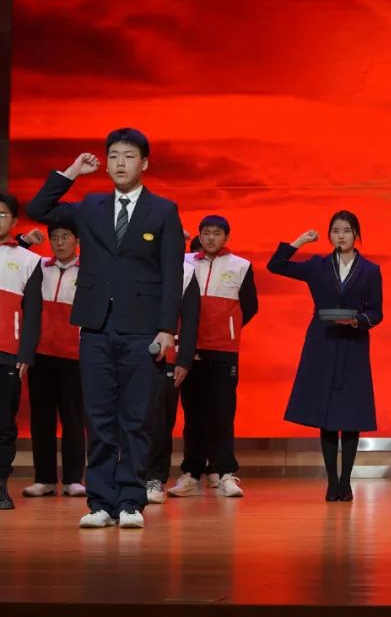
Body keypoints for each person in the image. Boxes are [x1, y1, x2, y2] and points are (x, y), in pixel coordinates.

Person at [26, 129, 184, 529]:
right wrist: (72, 171)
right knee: (97, 418)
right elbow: (39, 207)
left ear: (144, 163)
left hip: (143, 330)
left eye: (128, 156)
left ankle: (130, 500)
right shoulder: (90, 206)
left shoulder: (163, 210)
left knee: (136, 418)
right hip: (95, 327)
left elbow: (172, 274)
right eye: (113, 156)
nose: (119, 163)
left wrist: (167, 328)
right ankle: (100, 501)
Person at [267, 210, 382, 502]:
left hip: (353, 343)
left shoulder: (370, 270)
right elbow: (276, 265)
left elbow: (376, 311)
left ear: (356, 234)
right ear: (329, 235)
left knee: (351, 414)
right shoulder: (317, 266)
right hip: (323, 341)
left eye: (346, 230)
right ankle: (332, 482)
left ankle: (346, 482)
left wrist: (357, 320)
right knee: (327, 414)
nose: (341, 236)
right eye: (335, 231)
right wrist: (300, 241)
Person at [167, 215, 258, 499]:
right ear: (199, 235)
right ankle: (191, 474)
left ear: (226, 237)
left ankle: (225, 472)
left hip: (223, 350)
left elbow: (250, 306)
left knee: (222, 413)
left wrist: (227, 329)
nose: (210, 238)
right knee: (193, 415)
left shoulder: (240, 265)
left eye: (217, 233)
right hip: (188, 349)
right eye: (206, 233)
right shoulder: (184, 263)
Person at [23, 221, 86, 499]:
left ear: (77, 241)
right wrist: (26, 239)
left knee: (73, 419)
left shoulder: (89, 271)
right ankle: (44, 479)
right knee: (42, 420)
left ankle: (73, 479)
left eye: (65, 237)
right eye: (55, 238)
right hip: (42, 355)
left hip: (75, 356)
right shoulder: (38, 267)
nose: (59, 243)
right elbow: (10, 254)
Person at [0, 193, 44, 510]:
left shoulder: (29, 261)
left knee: (3, 423)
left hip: (7, 353)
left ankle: (0, 484)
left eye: (1, 214)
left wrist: (26, 354)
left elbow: (33, 314)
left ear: (14, 221)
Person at [146, 257, 200, 504]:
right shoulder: (131, 260)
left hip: (167, 357)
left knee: (160, 420)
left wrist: (184, 360)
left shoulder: (186, 271)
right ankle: (126, 476)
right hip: (129, 353)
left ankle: (155, 478)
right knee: (127, 418)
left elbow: (190, 319)